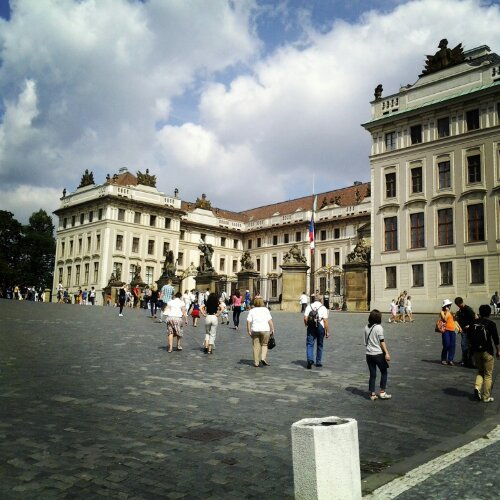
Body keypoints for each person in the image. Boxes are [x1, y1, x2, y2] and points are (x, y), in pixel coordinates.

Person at [470, 305, 500, 402]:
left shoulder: (473, 322)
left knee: (480, 371)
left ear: (480, 312)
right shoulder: (491, 324)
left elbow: (469, 336)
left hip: (476, 351)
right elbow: (496, 339)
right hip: (487, 351)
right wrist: (498, 350)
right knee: (488, 374)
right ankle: (486, 397)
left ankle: (477, 387)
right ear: (489, 313)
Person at [364, 309, 392, 401]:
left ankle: (372, 394)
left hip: (368, 354)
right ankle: (382, 392)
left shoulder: (366, 327)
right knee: (384, 372)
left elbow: (365, 342)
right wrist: (386, 353)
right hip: (378, 354)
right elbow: (382, 341)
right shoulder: (379, 327)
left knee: (372, 374)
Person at [247, 297, 275, 367]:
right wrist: (272, 329)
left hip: (255, 330)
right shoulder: (266, 310)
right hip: (265, 329)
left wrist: (248, 330)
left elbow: (248, 321)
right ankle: (263, 358)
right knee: (264, 344)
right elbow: (269, 320)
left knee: (256, 346)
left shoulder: (252, 310)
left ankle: (256, 362)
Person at [303, 294, 329, 369]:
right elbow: (325, 321)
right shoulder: (323, 308)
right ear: (321, 300)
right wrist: (327, 331)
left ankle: (310, 360)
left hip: (311, 327)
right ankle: (318, 362)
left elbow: (305, 318)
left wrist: (306, 325)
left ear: (314, 299)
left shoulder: (309, 306)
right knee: (320, 345)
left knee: (310, 344)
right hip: (320, 327)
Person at [454, 297, 476, 367]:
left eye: (458, 305)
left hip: (468, 331)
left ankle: (465, 360)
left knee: (464, 345)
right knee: (464, 345)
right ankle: (465, 360)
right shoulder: (461, 309)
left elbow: (475, 318)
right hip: (463, 330)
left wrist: (469, 325)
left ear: (459, 303)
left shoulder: (468, 309)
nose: (458, 306)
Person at [440, 299, 456, 366]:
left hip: (452, 330)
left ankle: (450, 360)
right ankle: (443, 359)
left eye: (450, 305)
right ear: (445, 306)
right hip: (445, 330)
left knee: (452, 345)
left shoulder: (451, 312)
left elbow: (454, 320)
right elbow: (444, 319)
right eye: (448, 305)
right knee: (446, 344)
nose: (449, 306)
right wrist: (447, 312)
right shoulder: (442, 312)